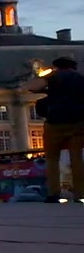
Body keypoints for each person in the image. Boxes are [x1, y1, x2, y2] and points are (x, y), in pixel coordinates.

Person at [30, 56, 84, 201]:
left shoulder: (54, 76)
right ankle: (80, 194)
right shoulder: (80, 78)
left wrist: (48, 89)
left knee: (52, 159)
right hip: (77, 122)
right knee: (77, 160)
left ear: (56, 66)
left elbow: (32, 87)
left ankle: (53, 193)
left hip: (55, 122)